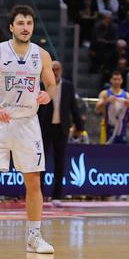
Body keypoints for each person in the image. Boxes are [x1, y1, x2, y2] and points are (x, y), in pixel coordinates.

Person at [1, 6, 57, 253]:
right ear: (12, 27)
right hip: (2, 120)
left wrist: (47, 94)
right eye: (21, 23)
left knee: (34, 182)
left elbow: (51, 83)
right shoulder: (1, 51)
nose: (26, 27)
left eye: (29, 23)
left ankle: (33, 237)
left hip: (27, 123)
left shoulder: (42, 55)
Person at [37, 60, 83, 203]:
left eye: (57, 69)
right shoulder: (42, 85)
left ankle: (57, 196)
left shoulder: (68, 86)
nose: (55, 72)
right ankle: (39, 195)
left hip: (61, 128)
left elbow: (73, 108)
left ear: (61, 70)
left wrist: (80, 126)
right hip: (44, 128)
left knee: (60, 162)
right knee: (41, 163)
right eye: (53, 69)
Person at [94, 71, 129, 144]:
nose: (116, 81)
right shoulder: (105, 94)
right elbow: (97, 110)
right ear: (111, 80)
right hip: (107, 127)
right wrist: (107, 101)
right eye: (115, 79)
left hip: (122, 128)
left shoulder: (127, 95)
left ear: (121, 81)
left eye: (118, 79)